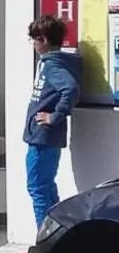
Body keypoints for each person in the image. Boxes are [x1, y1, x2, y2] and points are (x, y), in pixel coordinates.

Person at [22, 13, 81, 233]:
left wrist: (54, 117)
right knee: (47, 188)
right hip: (43, 137)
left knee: (37, 188)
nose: (33, 44)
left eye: (34, 39)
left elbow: (71, 89)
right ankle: (58, 238)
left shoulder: (53, 66)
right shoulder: (50, 63)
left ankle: (45, 241)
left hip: (43, 138)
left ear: (43, 40)